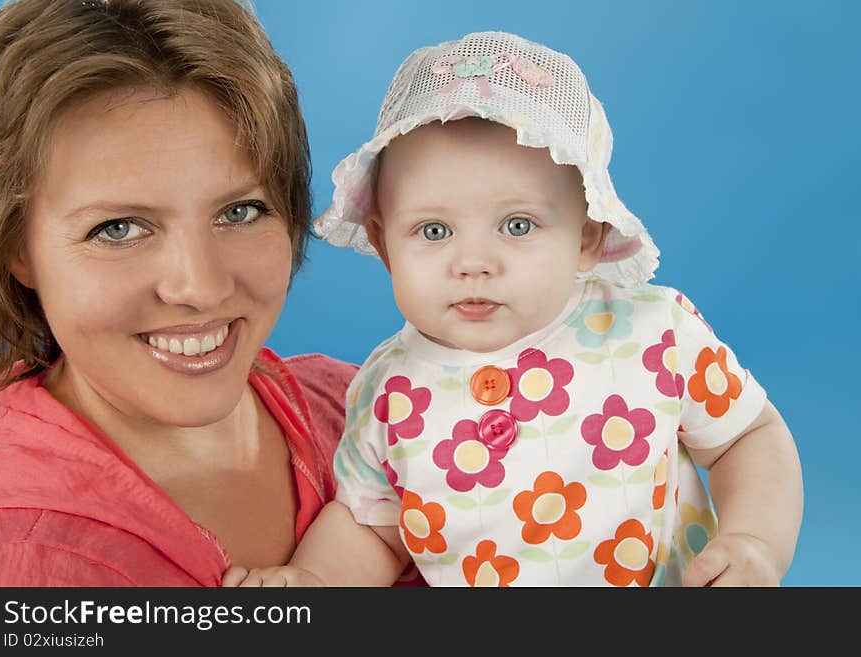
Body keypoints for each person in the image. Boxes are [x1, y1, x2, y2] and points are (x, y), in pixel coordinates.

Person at [229, 30, 803, 588]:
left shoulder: (654, 334)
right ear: (382, 243)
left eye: (518, 225)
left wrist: (754, 541)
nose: (473, 262)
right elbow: (373, 528)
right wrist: (314, 580)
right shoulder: (388, 391)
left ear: (587, 236)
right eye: (434, 230)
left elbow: (747, 436)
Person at [0, 0, 362, 586]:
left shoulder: (370, 410)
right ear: (17, 248)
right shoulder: (22, 551)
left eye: (240, 211)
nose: (201, 286)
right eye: (118, 228)